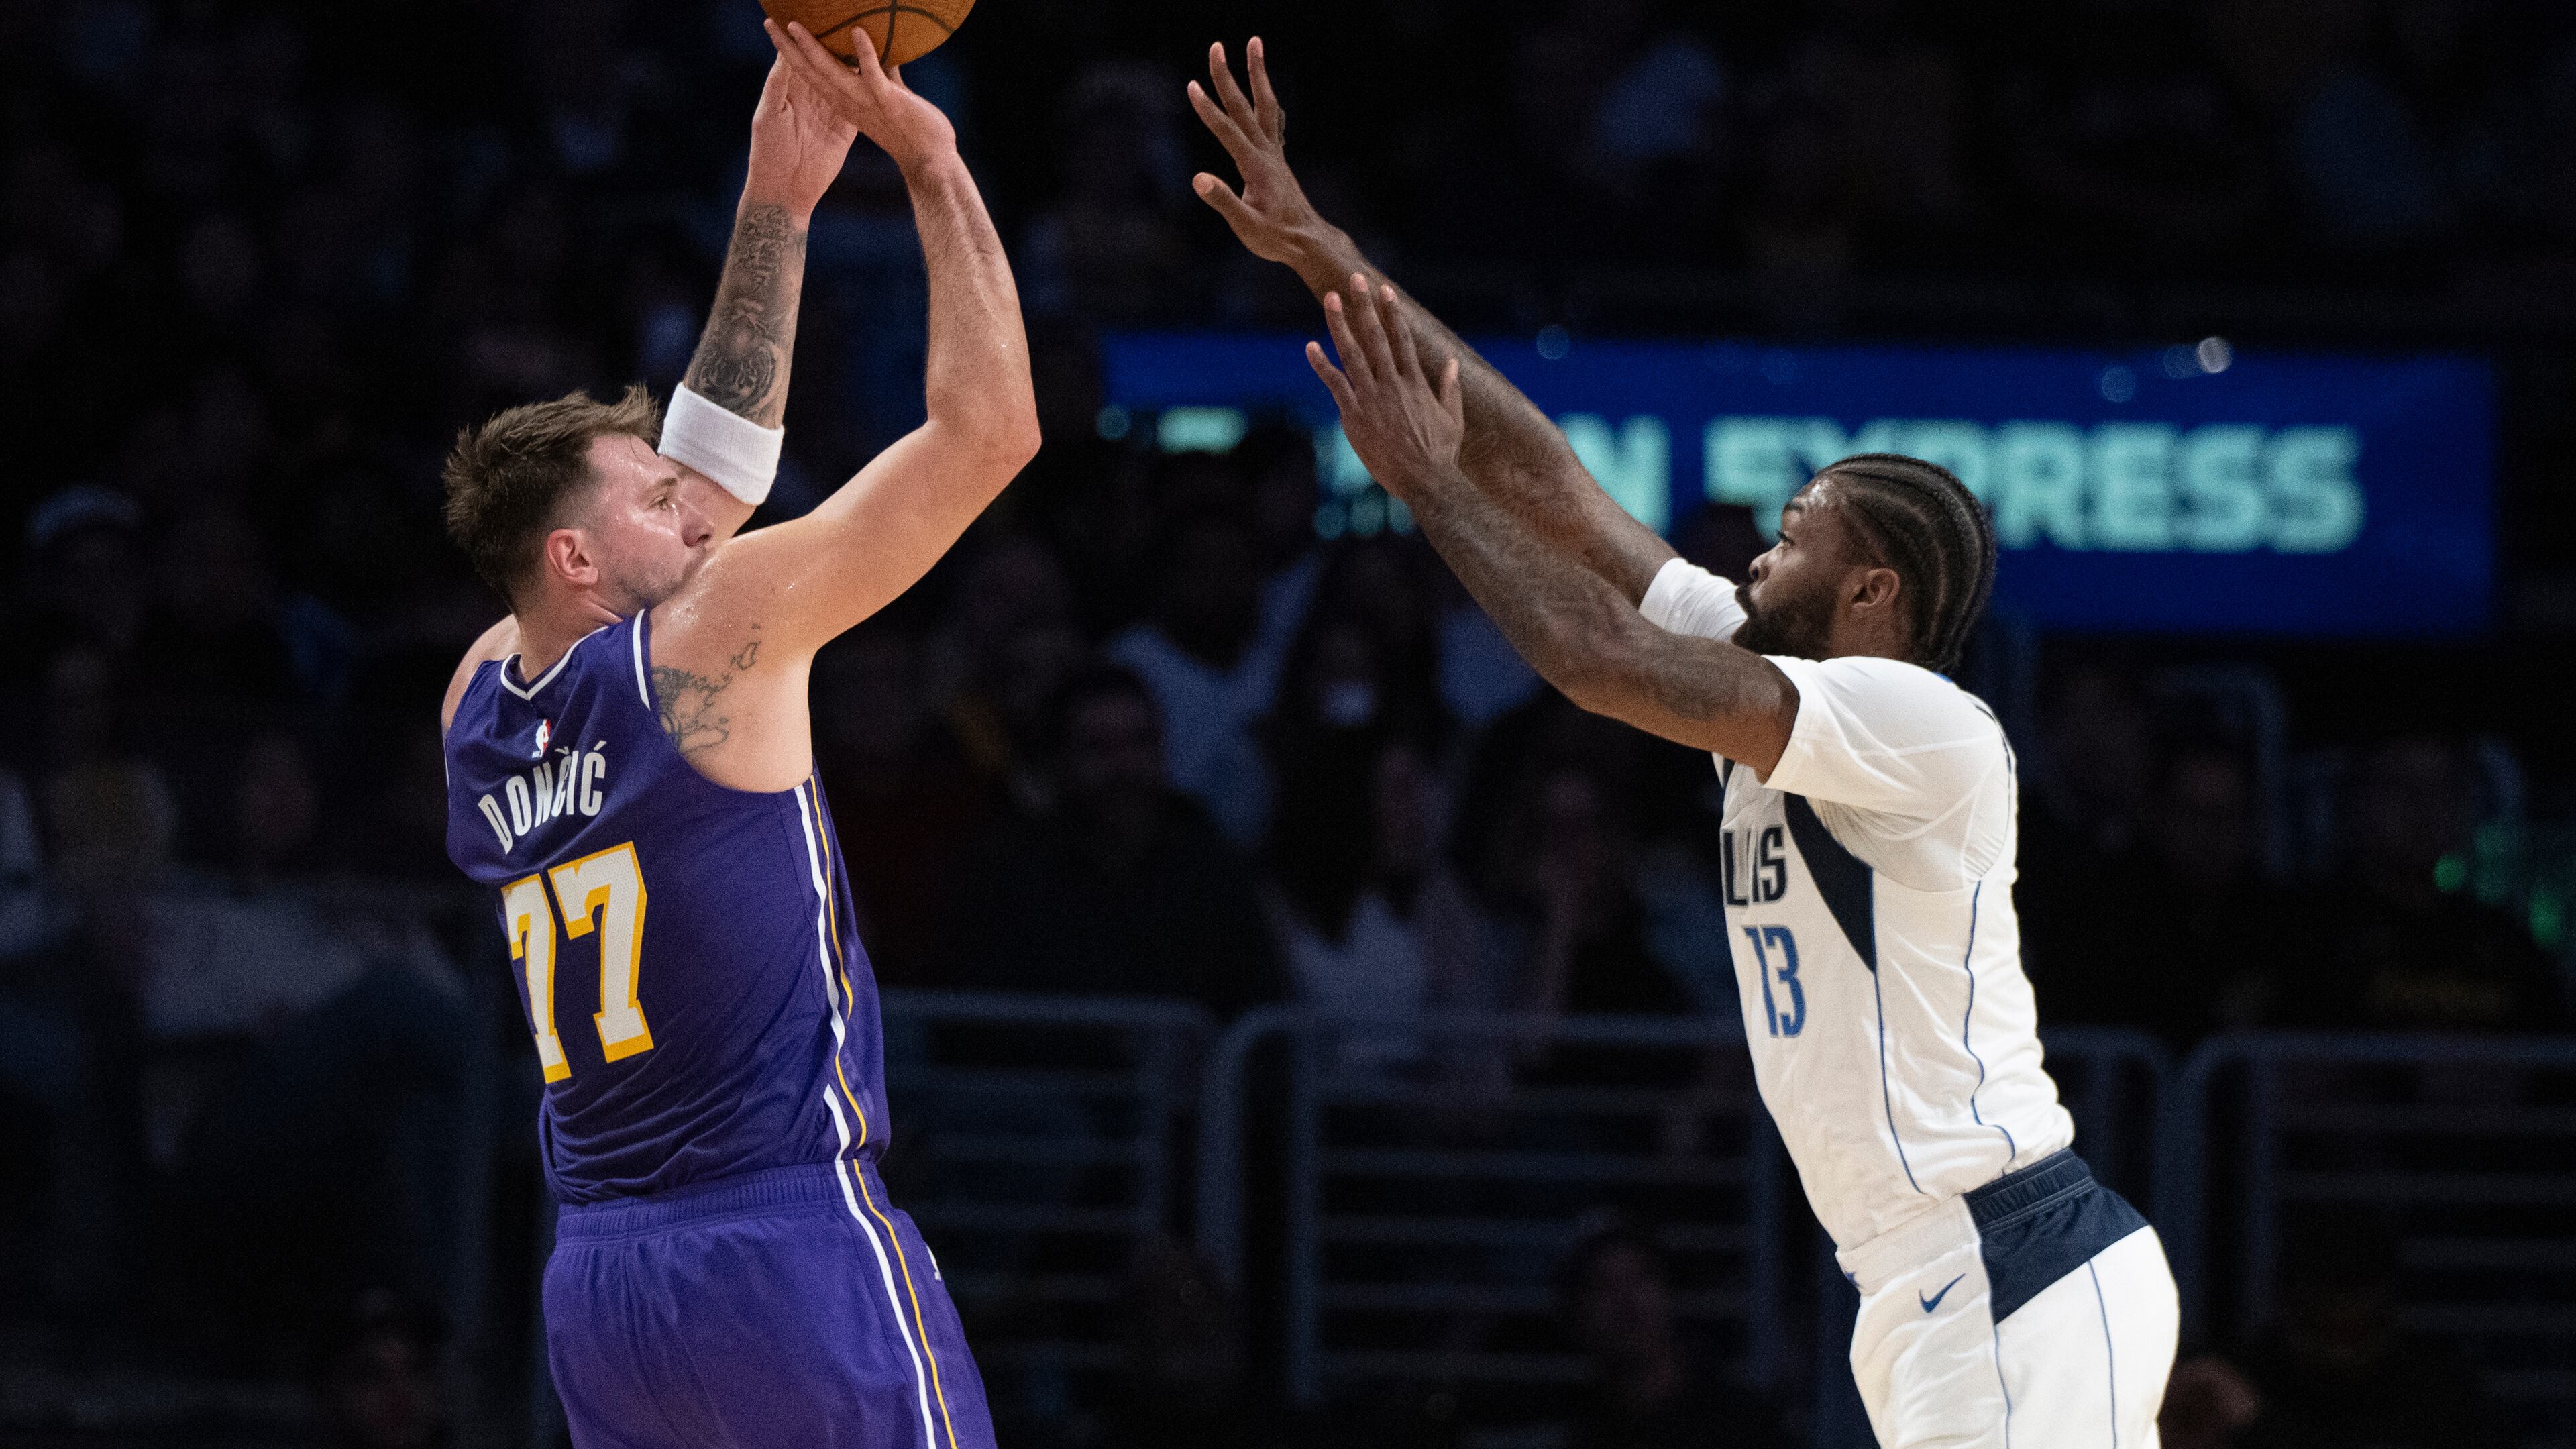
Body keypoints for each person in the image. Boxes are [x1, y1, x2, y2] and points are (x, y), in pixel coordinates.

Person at [1188, 40, 2174, 1448]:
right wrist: (1331, 255)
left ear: (1875, 591)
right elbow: (1562, 498)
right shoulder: (1777, 675)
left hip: (2007, 1259)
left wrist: (1416, 486)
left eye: (1791, 538)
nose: (1756, 551)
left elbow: (1590, 659)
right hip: (1928, 1276)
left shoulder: (1918, 721)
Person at [437, 25, 1036, 1449]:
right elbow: (992, 432)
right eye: (657, 505)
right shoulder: (717, 633)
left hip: (604, 1286)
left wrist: (780, 199)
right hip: (784, 1250)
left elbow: (713, 466)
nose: (702, 517)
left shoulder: (474, 701)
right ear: (579, 559)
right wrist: (934, 163)